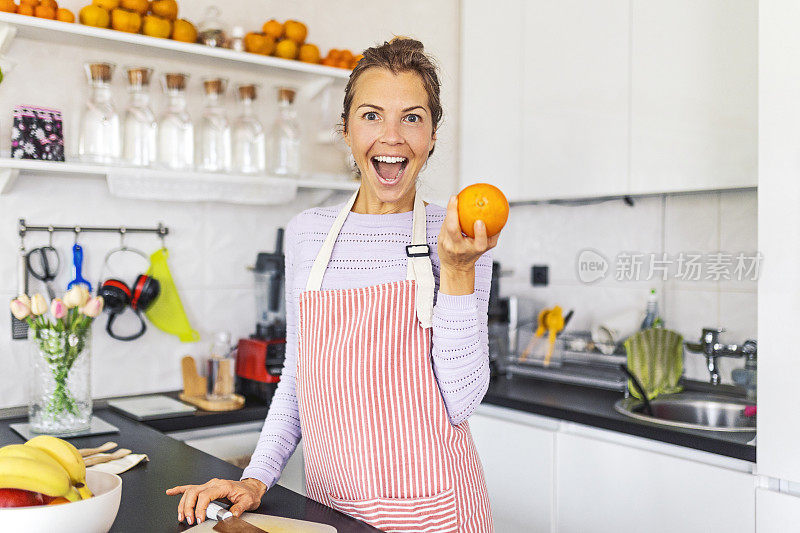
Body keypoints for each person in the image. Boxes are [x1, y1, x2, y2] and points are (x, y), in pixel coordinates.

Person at [167, 37, 498, 532]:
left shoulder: (457, 234)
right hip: (330, 511)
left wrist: (455, 270)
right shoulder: (309, 233)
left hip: (435, 513)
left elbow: (464, 398)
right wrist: (256, 479)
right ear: (346, 131)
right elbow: (298, 378)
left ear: (431, 135)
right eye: (371, 116)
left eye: (411, 117)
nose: (392, 136)